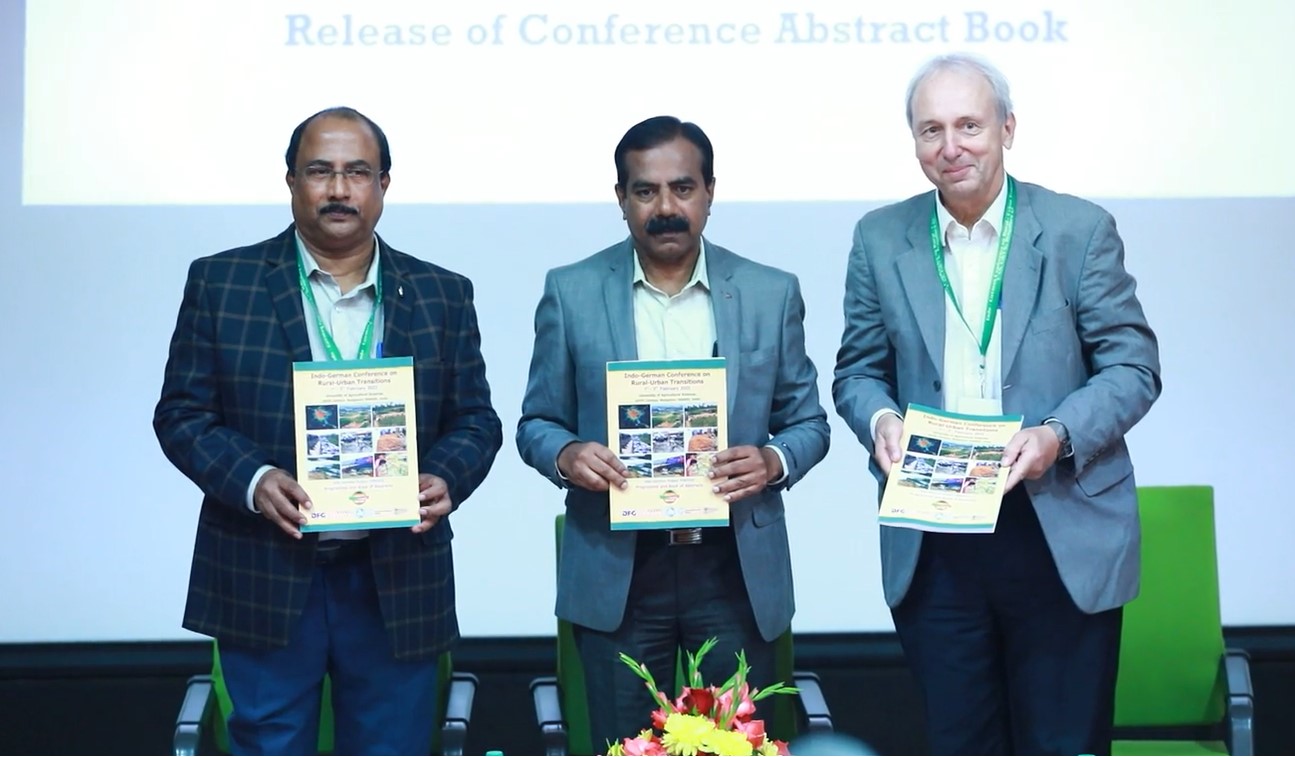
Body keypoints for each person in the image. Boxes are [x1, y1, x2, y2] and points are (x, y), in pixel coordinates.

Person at [832, 53, 1161, 755]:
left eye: (968, 125)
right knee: (962, 742)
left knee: (1061, 743)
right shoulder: (879, 238)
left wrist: (1055, 434)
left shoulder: (1076, 230)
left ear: (1006, 128)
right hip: (936, 533)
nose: (949, 147)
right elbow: (857, 372)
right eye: (930, 130)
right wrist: (878, 419)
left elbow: (1132, 366)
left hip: (1056, 522)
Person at [153, 106, 502, 755]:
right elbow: (181, 414)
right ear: (290, 182)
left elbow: (476, 419)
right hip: (264, 566)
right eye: (320, 171)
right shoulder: (222, 282)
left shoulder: (441, 293)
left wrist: (446, 475)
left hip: (395, 575)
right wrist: (255, 481)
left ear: (383, 185)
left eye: (356, 173)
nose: (338, 189)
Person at [516, 115, 830, 751]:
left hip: (733, 565)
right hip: (620, 568)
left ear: (710, 191)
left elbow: (810, 424)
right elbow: (535, 425)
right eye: (645, 191)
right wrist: (568, 453)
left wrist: (773, 460)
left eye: (682, 189)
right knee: (622, 744)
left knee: (739, 746)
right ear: (621, 198)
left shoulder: (771, 293)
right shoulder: (571, 292)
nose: (665, 208)